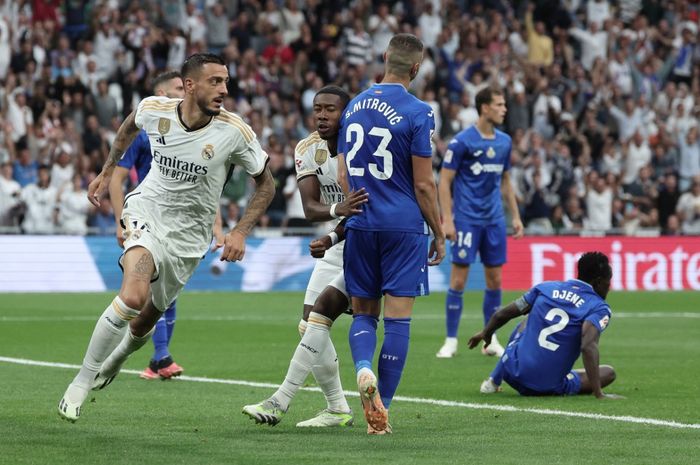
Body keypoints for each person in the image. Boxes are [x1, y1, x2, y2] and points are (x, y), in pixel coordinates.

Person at [58, 53, 275, 422]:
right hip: (146, 214)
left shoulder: (234, 131)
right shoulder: (154, 109)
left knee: (144, 323)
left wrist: (240, 231)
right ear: (189, 85)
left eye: (225, 81)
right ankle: (82, 379)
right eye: (215, 81)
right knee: (132, 296)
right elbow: (128, 128)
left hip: (189, 240)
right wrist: (105, 170)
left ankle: (119, 357)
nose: (224, 89)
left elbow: (267, 185)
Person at [337, 33, 445, 434]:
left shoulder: (353, 106)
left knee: (364, 313)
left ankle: (364, 369)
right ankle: (381, 411)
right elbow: (424, 184)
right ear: (415, 69)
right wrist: (439, 231)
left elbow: (343, 170)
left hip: (361, 221)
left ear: (384, 58)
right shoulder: (419, 111)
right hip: (402, 226)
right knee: (398, 321)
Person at [242, 86, 368, 428]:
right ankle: (338, 407)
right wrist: (335, 211)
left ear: (347, 112)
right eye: (317, 109)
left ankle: (280, 400)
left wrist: (335, 227)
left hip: (362, 241)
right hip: (335, 241)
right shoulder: (307, 148)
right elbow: (311, 208)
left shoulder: (362, 146)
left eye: (331, 109)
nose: (323, 115)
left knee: (318, 321)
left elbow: (368, 205)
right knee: (308, 323)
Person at [107, 71, 213, 381]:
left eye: (185, 87)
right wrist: (120, 222)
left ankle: (156, 359)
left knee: (168, 295)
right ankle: (160, 355)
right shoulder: (146, 131)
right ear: (159, 93)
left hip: (180, 225)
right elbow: (118, 178)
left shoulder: (196, 131)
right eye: (178, 88)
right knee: (149, 294)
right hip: (150, 220)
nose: (184, 93)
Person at [435, 87, 523, 359]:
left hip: (494, 220)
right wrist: (447, 220)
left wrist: (516, 215)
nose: (504, 109)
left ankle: (490, 338)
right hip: (467, 220)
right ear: (484, 108)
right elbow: (444, 181)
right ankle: (451, 340)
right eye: (499, 104)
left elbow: (506, 181)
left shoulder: (504, 142)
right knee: (459, 280)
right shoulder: (462, 142)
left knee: (495, 280)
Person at [468, 251, 619, 398]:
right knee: (608, 373)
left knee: (528, 318)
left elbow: (502, 314)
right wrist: (598, 393)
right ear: (599, 281)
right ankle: (560, 375)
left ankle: (493, 380)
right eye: (608, 281)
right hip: (548, 387)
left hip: (512, 372)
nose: (609, 286)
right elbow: (588, 346)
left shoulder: (544, 288)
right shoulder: (599, 307)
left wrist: (485, 333)